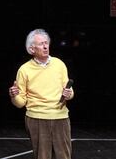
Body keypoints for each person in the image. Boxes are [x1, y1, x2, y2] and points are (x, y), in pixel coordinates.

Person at [9, 29, 74, 159]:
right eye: (41, 44)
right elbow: (20, 103)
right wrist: (14, 95)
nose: (45, 46)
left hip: (60, 117)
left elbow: (70, 92)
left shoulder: (59, 64)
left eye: (46, 43)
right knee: (42, 156)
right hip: (37, 118)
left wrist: (69, 93)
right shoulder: (24, 69)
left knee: (64, 156)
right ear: (32, 49)